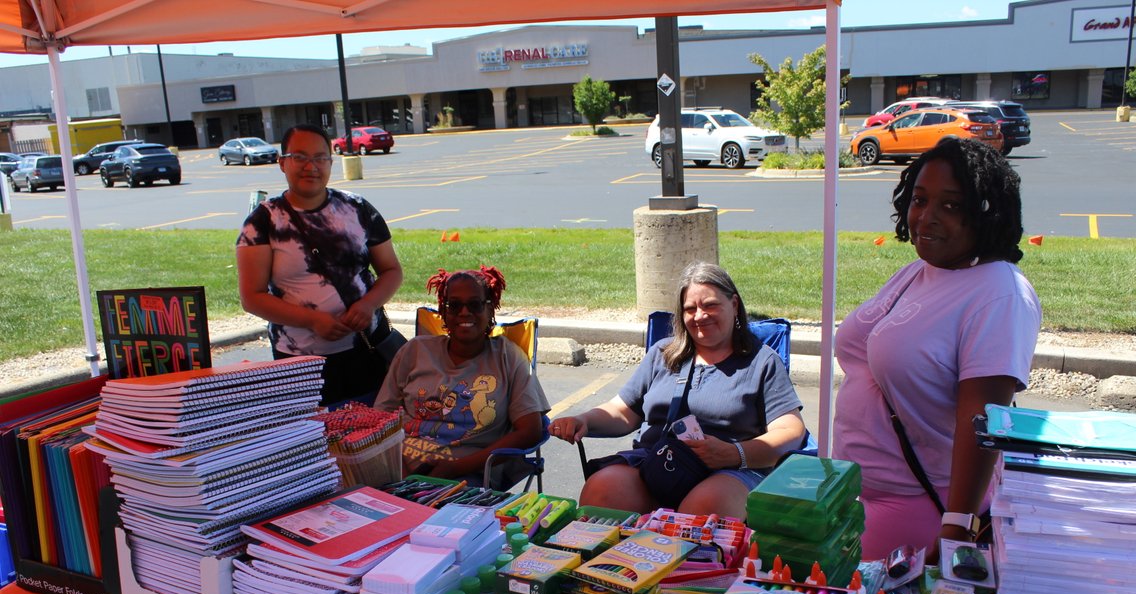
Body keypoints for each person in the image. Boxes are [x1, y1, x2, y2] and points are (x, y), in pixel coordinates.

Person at [832, 137, 1042, 561]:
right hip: (856, 494)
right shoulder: (918, 271)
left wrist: (958, 524)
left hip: (920, 508)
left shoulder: (1000, 293)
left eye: (951, 205)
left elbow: (983, 421)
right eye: (919, 200)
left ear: (986, 213)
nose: (925, 217)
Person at [550, 262, 808, 519]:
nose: (699, 316)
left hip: (731, 470)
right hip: (658, 464)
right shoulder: (663, 354)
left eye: (710, 305)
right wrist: (583, 420)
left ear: (734, 304)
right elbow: (623, 411)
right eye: (690, 309)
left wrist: (733, 453)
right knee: (602, 490)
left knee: (702, 510)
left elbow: (790, 430)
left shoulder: (762, 361)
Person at [236, 123, 403, 406]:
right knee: (317, 437)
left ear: (330, 162)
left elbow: (391, 271)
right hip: (300, 362)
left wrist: (367, 305)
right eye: (299, 157)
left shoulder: (358, 209)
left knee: (372, 435)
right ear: (282, 163)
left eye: (319, 158)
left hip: (366, 350)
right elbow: (252, 298)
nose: (310, 166)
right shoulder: (262, 222)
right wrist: (313, 320)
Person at [375, 265, 549, 485]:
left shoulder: (508, 357)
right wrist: (399, 476)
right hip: (401, 468)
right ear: (444, 310)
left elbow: (530, 431)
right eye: (454, 305)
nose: (465, 313)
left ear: (490, 309)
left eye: (475, 305)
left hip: (470, 474)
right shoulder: (415, 351)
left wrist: (456, 468)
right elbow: (381, 418)